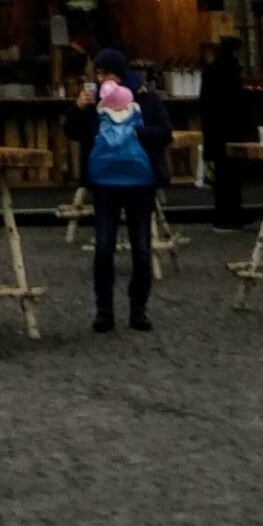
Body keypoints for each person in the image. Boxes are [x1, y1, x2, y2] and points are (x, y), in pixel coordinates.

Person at [67, 46, 171, 334]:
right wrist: (78, 109)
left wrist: (138, 134)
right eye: (99, 73)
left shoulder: (145, 98)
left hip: (140, 183)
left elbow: (165, 132)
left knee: (141, 249)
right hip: (105, 183)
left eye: (108, 73)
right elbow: (72, 132)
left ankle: (139, 308)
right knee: (103, 247)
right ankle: (104, 310)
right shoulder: (93, 102)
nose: (102, 79)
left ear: (121, 74)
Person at [200, 34, 253, 230]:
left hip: (215, 130)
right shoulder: (233, 71)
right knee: (233, 174)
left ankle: (222, 213)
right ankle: (233, 212)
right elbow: (238, 101)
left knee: (221, 175)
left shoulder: (211, 70)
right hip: (232, 129)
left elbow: (205, 102)